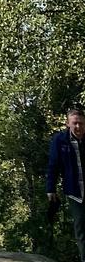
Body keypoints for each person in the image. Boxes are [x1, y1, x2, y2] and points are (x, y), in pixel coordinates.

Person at [48, 104, 85, 260]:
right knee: (81, 229)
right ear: (68, 124)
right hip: (75, 193)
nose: (78, 126)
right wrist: (50, 188)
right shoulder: (60, 140)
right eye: (74, 123)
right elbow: (53, 165)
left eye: (81, 123)